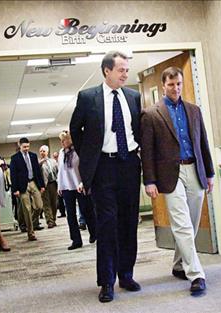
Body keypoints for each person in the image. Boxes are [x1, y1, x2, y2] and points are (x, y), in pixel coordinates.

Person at [70, 51, 142, 303]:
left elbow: (138, 130)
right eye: (121, 69)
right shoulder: (88, 97)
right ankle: (107, 281)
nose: (126, 74)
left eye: (127, 69)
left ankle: (126, 274)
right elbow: (74, 129)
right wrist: (89, 156)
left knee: (129, 222)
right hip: (103, 168)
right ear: (106, 71)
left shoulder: (133, 96)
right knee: (107, 224)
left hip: (130, 165)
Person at [140, 67, 215, 295]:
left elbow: (203, 143)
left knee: (190, 224)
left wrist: (209, 173)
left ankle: (178, 264)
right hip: (170, 176)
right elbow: (147, 151)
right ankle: (196, 274)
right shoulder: (151, 114)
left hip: (195, 169)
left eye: (179, 84)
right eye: (171, 84)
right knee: (181, 223)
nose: (176, 88)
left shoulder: (194, 110)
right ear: (164, 85)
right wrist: (149, 180)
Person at [57, 131, 96, 250]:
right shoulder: (61, 153)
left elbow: (84, 169)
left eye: (65, 140)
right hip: (67, 187)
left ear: (71, 140)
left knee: (86, 210)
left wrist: (84, 183)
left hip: (79, 186)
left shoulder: (79, 151)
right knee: (70, 215)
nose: (62, 142)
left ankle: (94, 233)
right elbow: (60, 171)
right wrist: (60, 186)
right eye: (61, 140)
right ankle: (76, 240)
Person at [9, 137, 45, 241]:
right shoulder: (15, 158)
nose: (26, 148)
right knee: (27, 209)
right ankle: (31, 233)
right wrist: (15, 189)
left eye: (28, 146)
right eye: (24, 147)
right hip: (22, 186)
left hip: (33, 182)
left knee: (39, 206)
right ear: (19, 145)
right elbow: (13, 175)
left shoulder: (33, 156)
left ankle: (29, 223)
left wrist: (41, 185)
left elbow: (38, 171)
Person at [38, 145, 57, 228]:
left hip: (54, 183)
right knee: (46, 204)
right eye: (41, 151)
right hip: (44, 185)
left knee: (54, 203)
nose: (42, 152)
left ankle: (53, 219)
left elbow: (57, 171)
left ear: (47, 152)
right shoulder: (38, 162)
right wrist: (41, 163)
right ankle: (49, 221)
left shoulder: (53, 161)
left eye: (44, 151)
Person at [52, 151, 67, 218]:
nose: (55, 158)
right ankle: (62, 212)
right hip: (57, 183)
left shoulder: (62, 162)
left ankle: (66, 211)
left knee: (66, 199)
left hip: (64, 183)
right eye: (54, 157)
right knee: (60, 199)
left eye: (56, 156)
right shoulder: (53, 164)